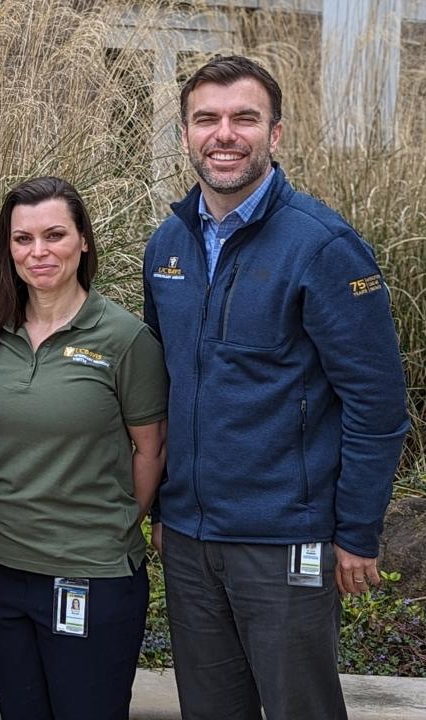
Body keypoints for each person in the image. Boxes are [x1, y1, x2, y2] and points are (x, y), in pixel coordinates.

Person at [143, 54, 410, 720]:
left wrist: (356, 532)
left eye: (244, 118)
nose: (224, 134)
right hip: (191, 541)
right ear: (185, 134)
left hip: (287, 541)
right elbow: (164, 388)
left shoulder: (323, 248)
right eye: (206, 118)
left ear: (276, 133)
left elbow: (377, 408)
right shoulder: (167, 246)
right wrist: (162, 510)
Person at [0, 177, 167, 720]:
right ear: (7, 248)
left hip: (92, 573)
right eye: (22, 239)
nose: (39, 252)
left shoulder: (124, 339)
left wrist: (114, 525)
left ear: (83, 241)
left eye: (55, 235)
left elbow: (149, 451)